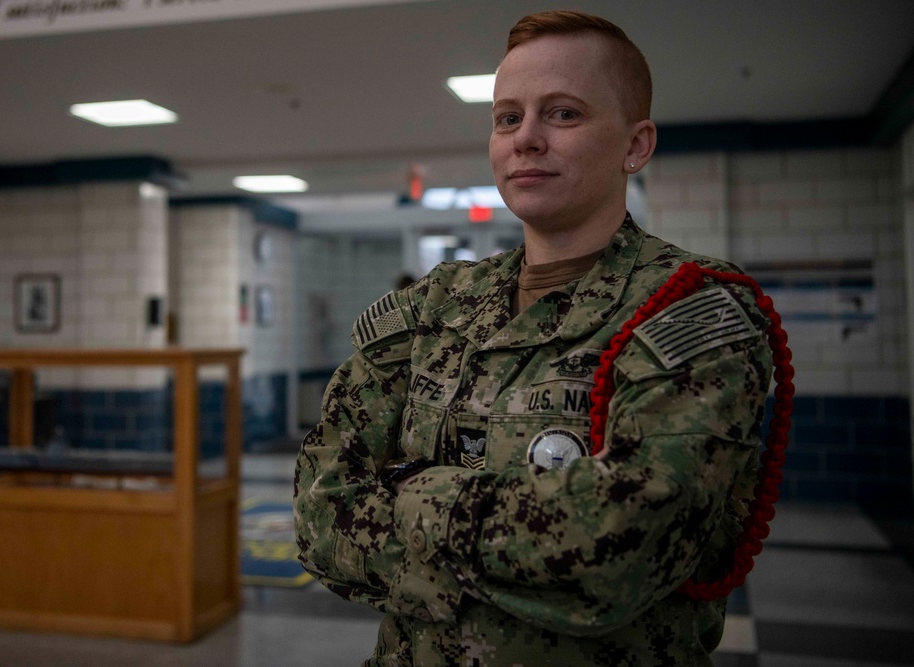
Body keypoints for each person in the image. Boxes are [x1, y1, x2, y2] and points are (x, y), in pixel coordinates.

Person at [294, 10, 772, 666]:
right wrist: (520, 530)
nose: (526, 139)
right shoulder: (434, 307)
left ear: (636, 145)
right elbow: (319, 510)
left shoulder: (691, 310)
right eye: (506, 118)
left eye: (564, 114)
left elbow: (619, 546)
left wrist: (405, 496)